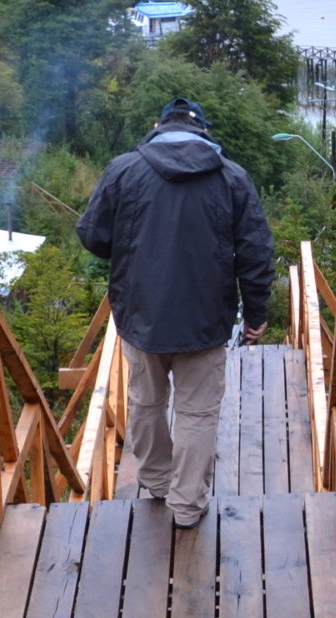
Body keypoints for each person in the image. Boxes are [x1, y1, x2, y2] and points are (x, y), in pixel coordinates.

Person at [76, 98, 275, 527]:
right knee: (197, 413)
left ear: (157, 126)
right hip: (206, 319)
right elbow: (256, 253)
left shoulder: (124, 170)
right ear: (204, 130)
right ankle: (186, 506)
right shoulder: (232, 178)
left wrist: (135, 244)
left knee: (146, 402)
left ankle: (157, 481)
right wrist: (256, 313)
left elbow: (92, 235)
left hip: (141, 313)